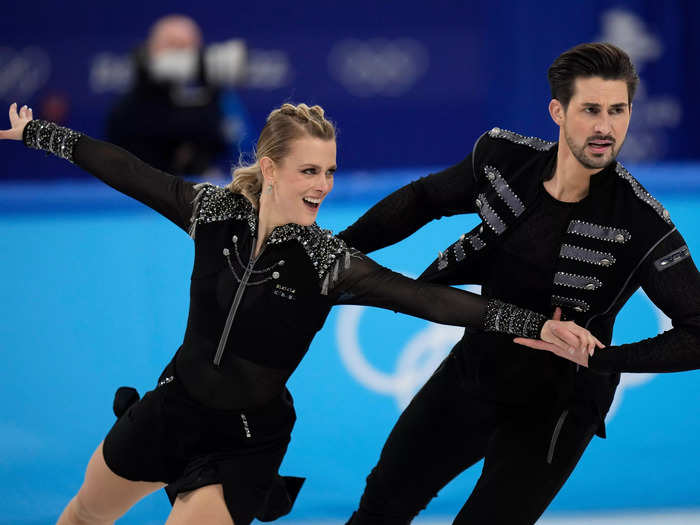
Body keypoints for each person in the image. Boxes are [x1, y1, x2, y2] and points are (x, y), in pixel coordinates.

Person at [0, 102, 598, 525]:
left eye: (329, 171)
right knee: (84, 514)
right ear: (270, 168)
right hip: (174, 404)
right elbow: (128, 172)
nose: (323, 185)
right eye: (309, 170)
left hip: (241, 440)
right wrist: (39, 134)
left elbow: (433, 301)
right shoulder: (213, 213)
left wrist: (534, 324)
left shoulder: (328, 261)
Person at [338, 42, 700, 524]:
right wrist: (337, 249)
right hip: (475, 370)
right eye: (591, 110)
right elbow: (424, 198)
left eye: (618, 111)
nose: (605, 128)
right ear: (558, 110)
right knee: (381, 503)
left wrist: (603, 358)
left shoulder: (644, 223)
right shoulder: (502, 159)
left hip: (558, 406)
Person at [106, 14, 247, 176]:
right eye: (172, 45)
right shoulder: (128, 106)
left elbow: (239, 145)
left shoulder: (219, 98)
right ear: (151, 49)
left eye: (187, 46)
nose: (180, 54)